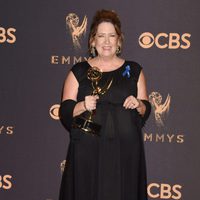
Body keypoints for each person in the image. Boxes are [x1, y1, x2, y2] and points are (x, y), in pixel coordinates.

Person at [59, 9, 151, 200]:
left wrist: (139, 104)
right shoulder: (79, 71)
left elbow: (145, 109)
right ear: (93, 41)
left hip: (126, 152)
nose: (107, 41)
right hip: (88, 151)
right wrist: (83, 105)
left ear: (119, 41)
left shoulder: (134, 70)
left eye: (112, 36)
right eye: (101, 36)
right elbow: (66, 111)